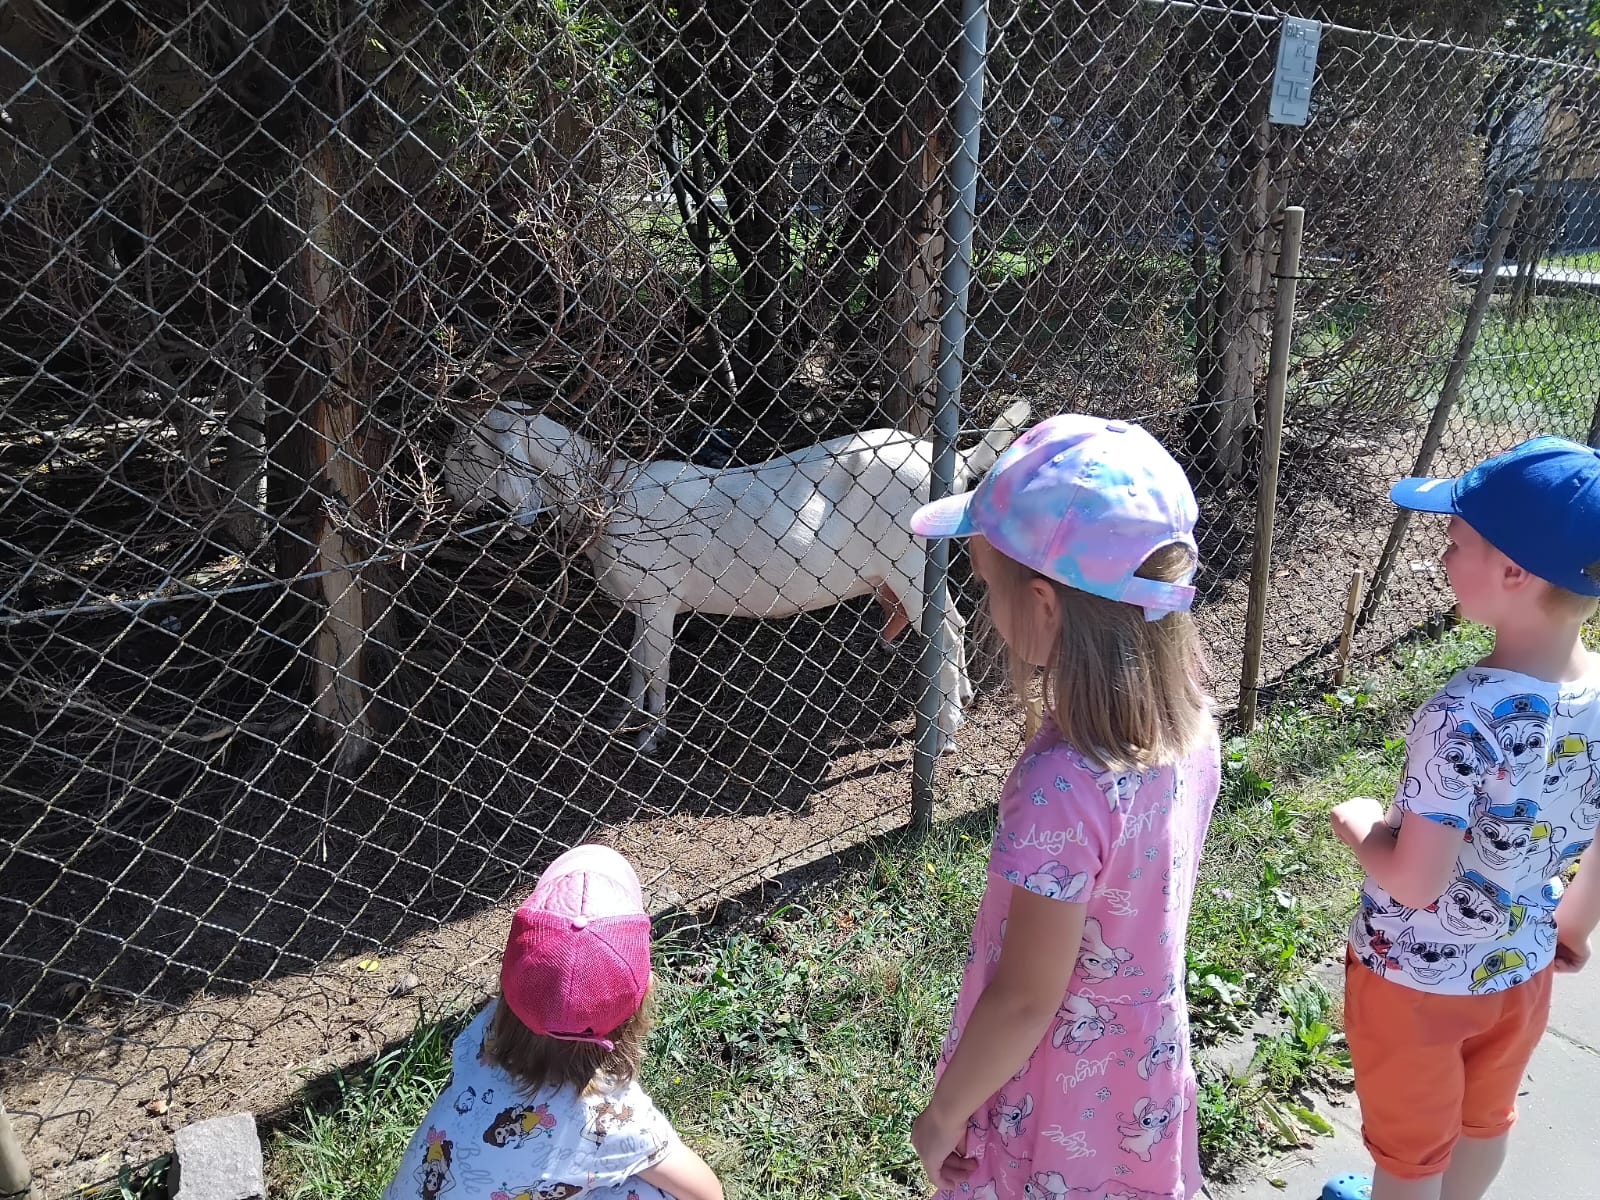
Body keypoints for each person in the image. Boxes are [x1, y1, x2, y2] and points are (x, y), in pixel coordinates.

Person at [906, 414, 1221, 1200]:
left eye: (987, 585)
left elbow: (1025, 998)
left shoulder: (1062, 785)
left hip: (1051, 1095)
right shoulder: (1191, 725)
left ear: (1044, 604)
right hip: (1140, 1074)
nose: (986, 606)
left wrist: (942, 1115)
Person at [1326, 436, 1600, 1200]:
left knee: (1410, 1155)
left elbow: (1416, 882)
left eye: (1454, 542)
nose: (1442, 556)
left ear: (1513, 572)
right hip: (1521, 966)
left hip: (1415, 980)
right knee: (1485, 1121)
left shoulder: (1463, 714)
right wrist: (1574, 928)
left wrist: (1360, 825)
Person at [381, 844, 722, 1200]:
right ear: (646, 988)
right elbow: (707, 1193)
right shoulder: (612, 1119)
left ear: (509, 983)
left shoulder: (484, 1034)